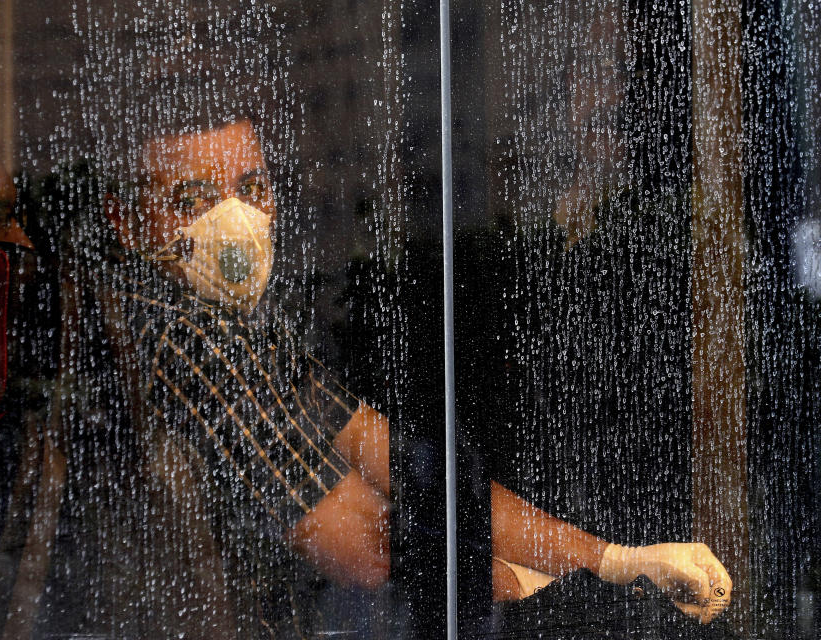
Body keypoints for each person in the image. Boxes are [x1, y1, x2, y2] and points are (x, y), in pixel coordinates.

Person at [88, 114, 732, 634]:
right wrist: (562, 586)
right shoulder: (184, 339)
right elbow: (370, 550)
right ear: (125, 220)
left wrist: (615, 560)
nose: (234, 222)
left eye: (251, 189)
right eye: (194, 199)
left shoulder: (234, 331)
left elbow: (405, 465)